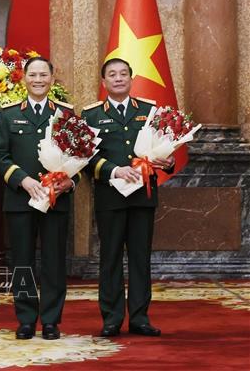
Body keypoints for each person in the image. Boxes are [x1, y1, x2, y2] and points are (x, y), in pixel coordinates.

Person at [82, 58, 174, 338]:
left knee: (140, 258)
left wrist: (167, 161)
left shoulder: (149, 111)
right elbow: (85, 158)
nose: (118, 78)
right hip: (110, 196)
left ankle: (139, 318)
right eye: (112, 74)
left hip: (142, 196)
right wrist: (114, 170)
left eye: (123, 74)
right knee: (109, 257)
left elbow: (163, 149)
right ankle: (111, 319)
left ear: (131, 79)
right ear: (104, 82)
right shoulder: (91, 115)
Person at [0, 56, 78, 341]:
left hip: (56, 200)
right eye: (33, 75)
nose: (38, 80)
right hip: (20, 200)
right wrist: (23, 180)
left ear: (52, 78)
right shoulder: (8, 114)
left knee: (54, 262)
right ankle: (26, 319)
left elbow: (81, 155)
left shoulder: (66, 114)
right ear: (24, 78)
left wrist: (70, 182)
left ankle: (51, 321)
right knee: (22, 262)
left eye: (43, 75)